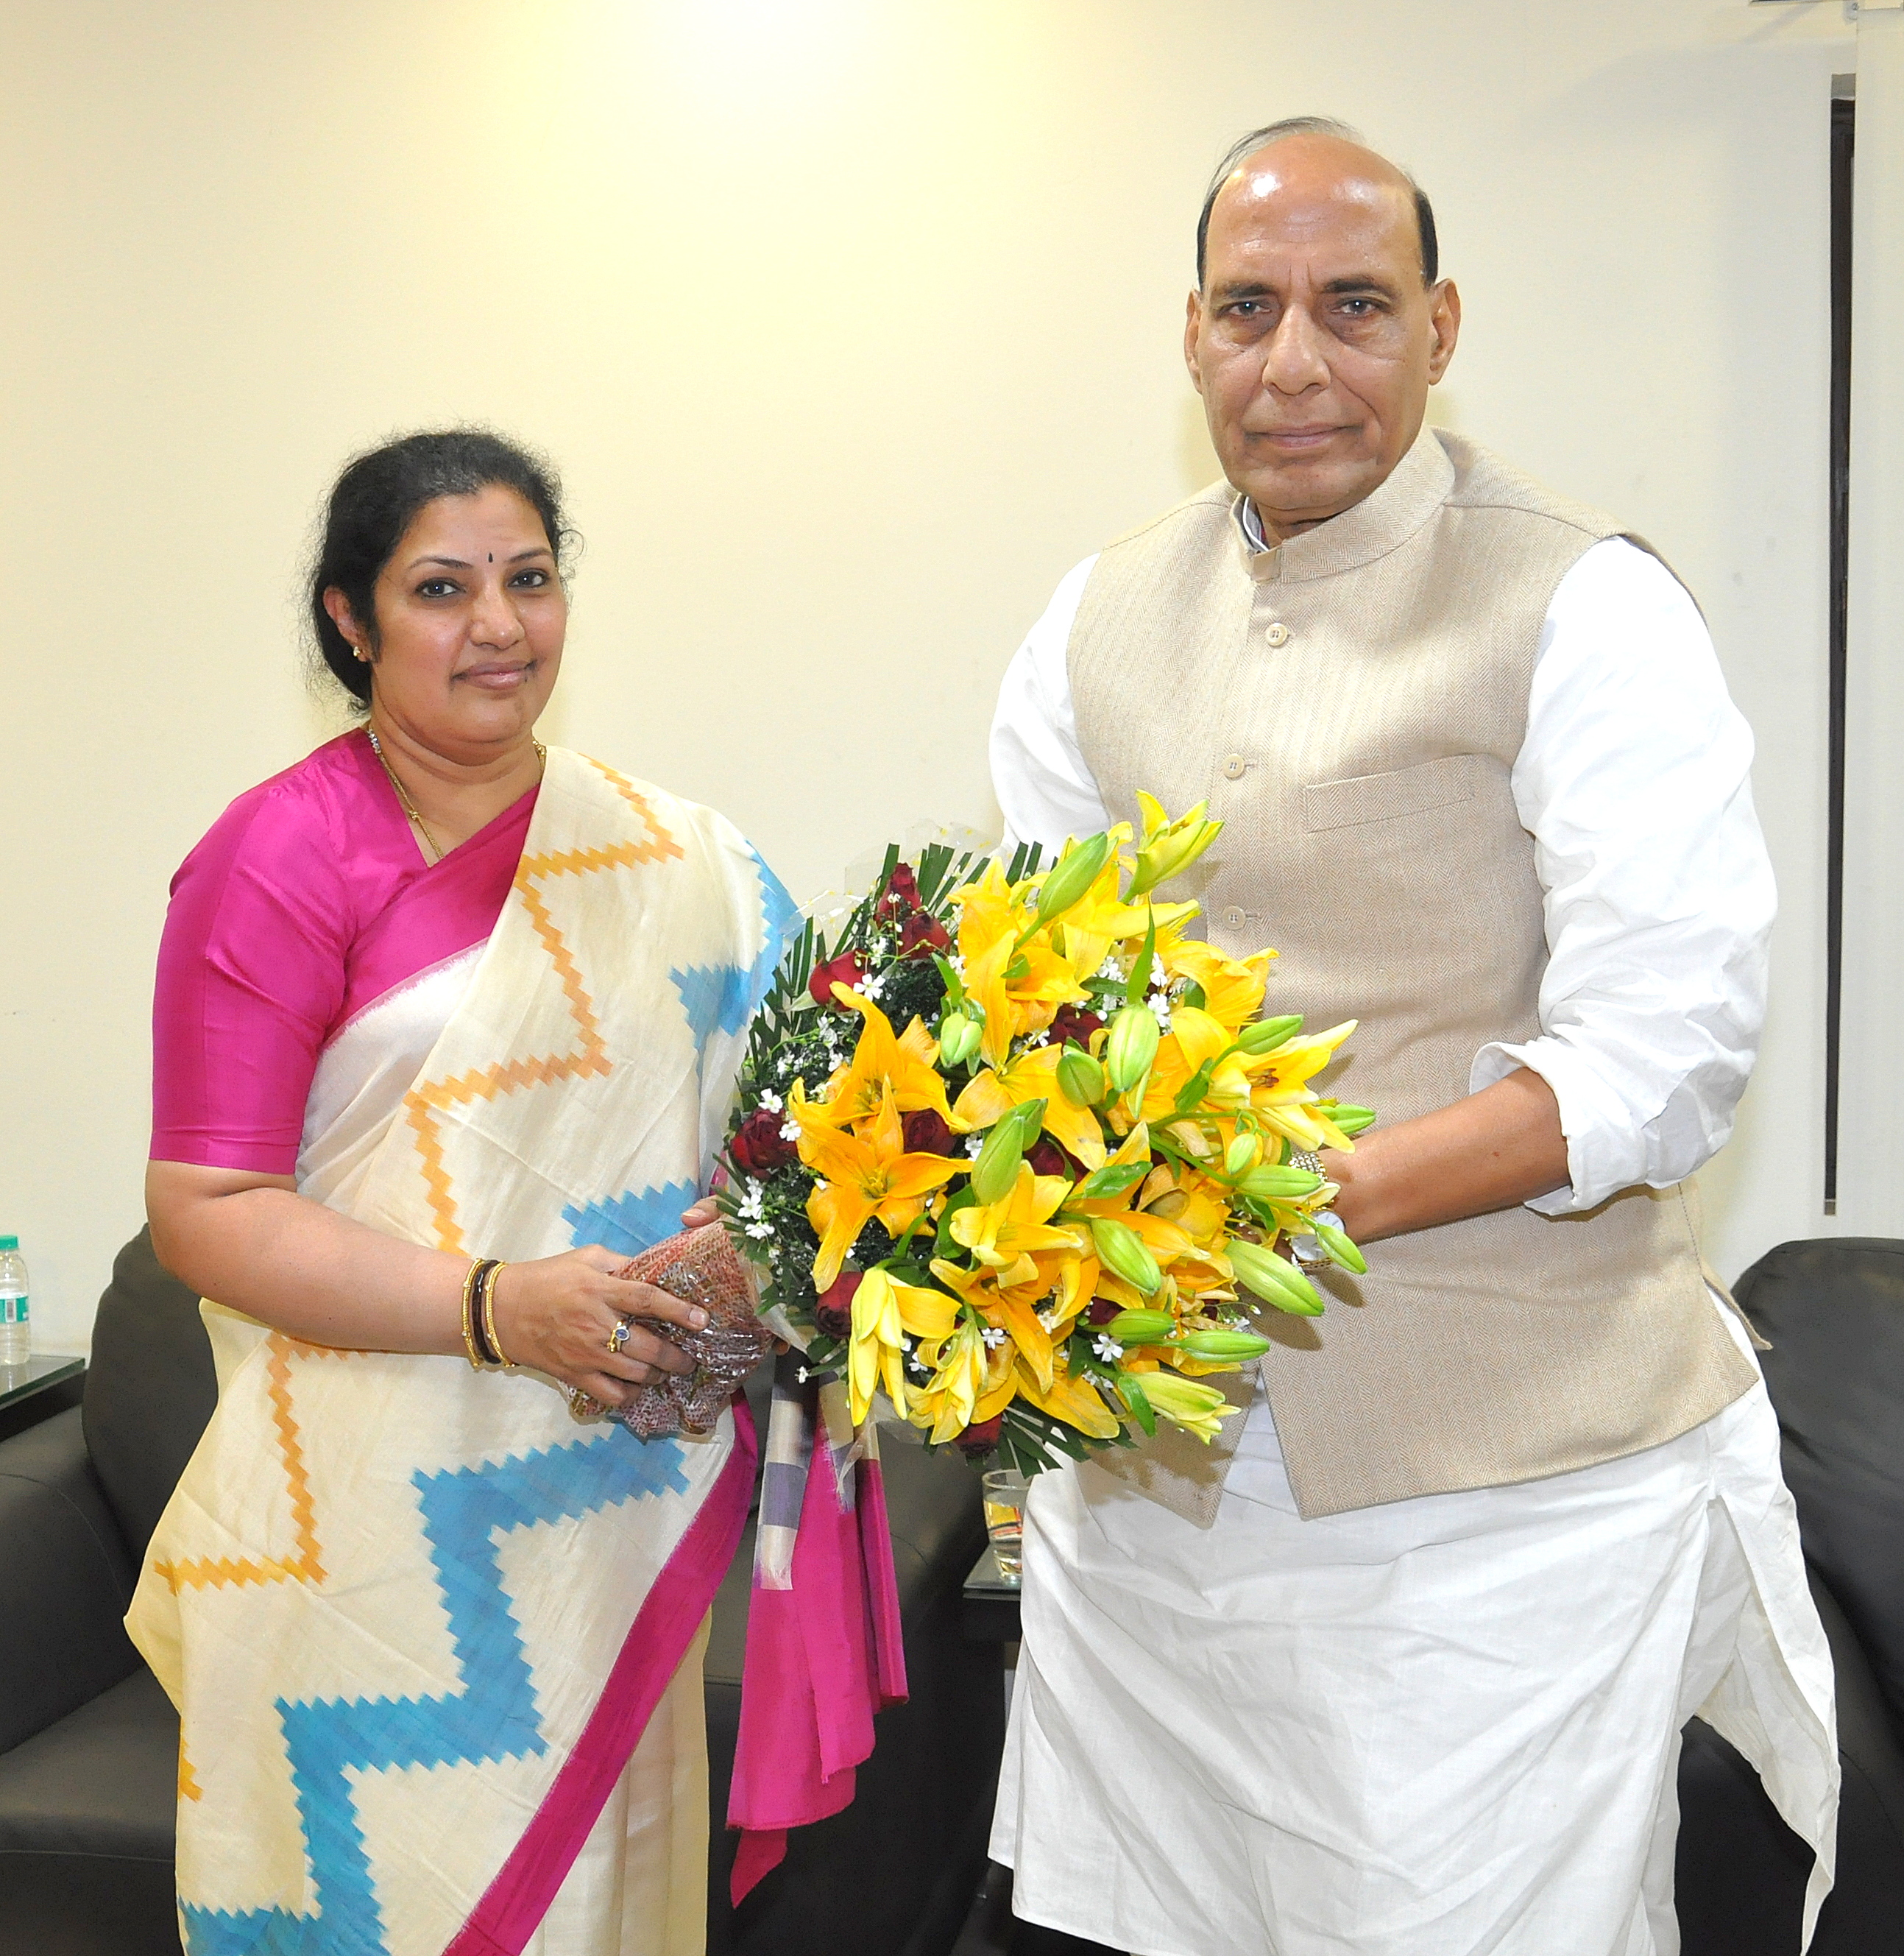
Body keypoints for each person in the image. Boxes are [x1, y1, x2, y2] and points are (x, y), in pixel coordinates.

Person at [986, 120, 1838, 1955]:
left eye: (1352, 306)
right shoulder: (1088, 620)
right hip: (1161, 1501)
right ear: (1190, 334)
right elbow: (1037, 1009)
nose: (1294, 361)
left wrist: (1302, 1206)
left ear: (1440, 328)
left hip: (1502, 1507)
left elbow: (1666, 1052)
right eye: (1248, 308)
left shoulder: (1580, 599)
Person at [129, 430, 796, 1956]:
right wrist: (499, 1309)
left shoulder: (672, 857)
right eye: (442, 588)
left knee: (605, 1910)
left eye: (529, 579)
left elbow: (814, 1119)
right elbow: (208, 1211)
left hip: (604, 1518)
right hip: (355, 1540)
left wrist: (753, 1248)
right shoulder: (277, 856)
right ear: (351, 621)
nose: (498, 625)